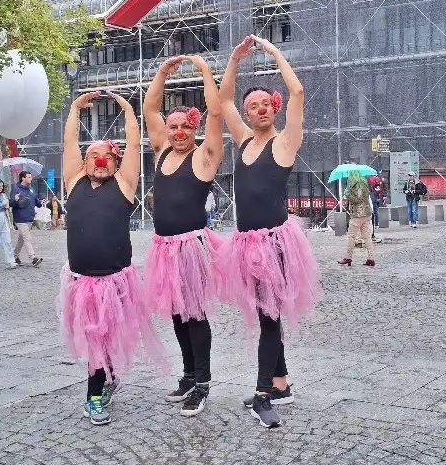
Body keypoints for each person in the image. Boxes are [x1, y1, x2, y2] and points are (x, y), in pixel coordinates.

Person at [218, 35, 322, 429]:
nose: (258, 110)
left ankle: (263, 394)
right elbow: (225, 101)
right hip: (245, 244)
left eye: (264, 104)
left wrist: (273, 52)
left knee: (268, 317)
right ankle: (281, 383)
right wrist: (234, 60)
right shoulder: (243, 141)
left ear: (273, 109)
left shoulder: (284, 143)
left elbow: (297, 90)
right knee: (268, 316)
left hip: (275, 245)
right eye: (252, 106)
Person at [60, 90, 167, 426]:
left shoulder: (124, 185)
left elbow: (134, 146)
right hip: (81, 282)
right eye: (93, 155)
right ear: (84, 161)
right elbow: (69, 144)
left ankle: (96, 393)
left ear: (117, 161)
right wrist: (76, 108)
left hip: (115, 281)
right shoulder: (74, 181)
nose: (100, 159)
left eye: (107, 155)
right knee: (95, 337)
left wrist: (126, 108)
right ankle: (102, 384)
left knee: (104, 336)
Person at [142, 54, 225, 417]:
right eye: (173, 126)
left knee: (194, 314)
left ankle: (203, 383)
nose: (178, 132)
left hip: (192, 246)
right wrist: (163, 71)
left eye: (185, 128)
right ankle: (189, 375)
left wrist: (204, 70)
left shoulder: (204, 157)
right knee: (176, 314)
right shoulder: (161, 153)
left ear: (195, 130)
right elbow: (150, 108)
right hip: (163, 248)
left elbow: (218, 113)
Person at [339, 171, 376, 266]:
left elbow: (358, 199)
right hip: (367, 215)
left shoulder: (358, 185)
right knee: (367, 237)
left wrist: (348, 195)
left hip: (357, 215)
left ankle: (348, 257)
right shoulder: (364, 184)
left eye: (350, 176)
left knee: (352, 237)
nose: (349, 178)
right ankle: (370, 258)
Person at [10, 172, 43, 267]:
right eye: (28, 177)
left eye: (31, 177)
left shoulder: (32, 189)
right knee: (27, 238)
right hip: (20, 218)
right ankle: (33, 258)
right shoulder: (16, 188)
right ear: (23, 178)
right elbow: (11, 203)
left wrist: (41, 202)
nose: (31, 178)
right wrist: (15, 199)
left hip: (30, 218)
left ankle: (14, 256)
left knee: (22, 239)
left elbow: (37, 202)